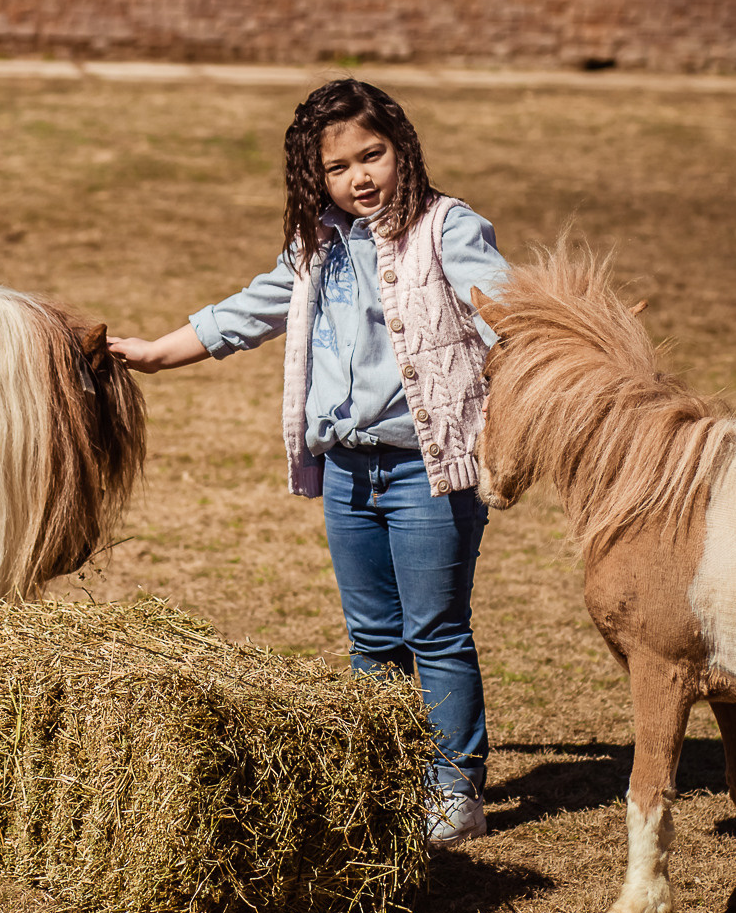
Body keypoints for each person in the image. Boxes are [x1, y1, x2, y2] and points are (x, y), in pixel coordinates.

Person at [110, 78, 508, 847]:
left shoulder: (446, 228)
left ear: (403, 150)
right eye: (338, 167)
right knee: (371, 636)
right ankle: (385, 778)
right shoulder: (317, 245)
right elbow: (252, 308)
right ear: (313, 176)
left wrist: (553, 345)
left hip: (429, 470)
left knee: (435, 630)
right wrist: (160, 351)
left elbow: (505, 306)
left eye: (374, 155)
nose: (360, 177)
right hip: (349, 474)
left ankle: (456, 792)